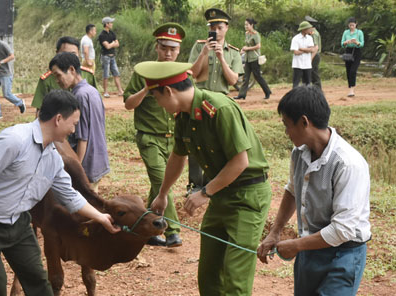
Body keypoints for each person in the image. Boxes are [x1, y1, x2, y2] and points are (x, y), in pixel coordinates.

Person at [0, 90, 120, 296]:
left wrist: (101, 218)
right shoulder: (14, 140)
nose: (74, 129)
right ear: (58, 119)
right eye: (74, 123)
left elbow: (69, 196)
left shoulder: (52, 157)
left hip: (18, 225)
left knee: (39, 284)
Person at [135, 61, 271, 295]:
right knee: (208, 276)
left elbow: (240, 162)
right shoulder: (184, 117)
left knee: (235, 279)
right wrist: (163, 194)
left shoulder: (219, 109)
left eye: (156, 98)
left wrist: (205, 192)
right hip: (221, 195)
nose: (158, 104)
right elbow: (177, 157)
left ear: (168, 91)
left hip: (247, 197)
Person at [257, 85, 371, 295]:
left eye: (287, 125)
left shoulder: (347, 163)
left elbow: (342, 230)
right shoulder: (299, 153)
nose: (286, 132)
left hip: (343, 254)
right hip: (309, 250)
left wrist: (297, 245)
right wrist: (275, 232)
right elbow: (292, 190)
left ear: (304, 122)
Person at [123, 23, 185, 248]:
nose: (168, 53)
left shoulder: (182, 73)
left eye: (173, 49)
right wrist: (147, 88)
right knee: (162, 182)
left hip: (174, 139)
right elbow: (129, 104)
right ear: (156, 48)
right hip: (149, 137)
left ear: (179, 50)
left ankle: (147, 228)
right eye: (164, 48)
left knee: (158, 185)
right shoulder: (143, 72)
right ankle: (172, 232)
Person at [187, 8, 244, 194]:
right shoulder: (199, 47)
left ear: (226, 28)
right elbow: (192, 74)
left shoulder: (233, 53)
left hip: (221, 103)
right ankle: (195, 184)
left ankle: (214, 184)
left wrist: (221, 57)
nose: (216, 31)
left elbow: (233, 81)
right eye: (212, 27)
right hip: (199, 100)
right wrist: (204, 53)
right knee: (196, 142)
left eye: (219, 27)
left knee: (220, 143)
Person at [50, 52, 109, 193]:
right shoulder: (92, 91)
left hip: (86, 165)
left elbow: (82, 138)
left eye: (58, 75)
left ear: (71, 70)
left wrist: (77, 171)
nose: (57, 81)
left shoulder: (79, 96)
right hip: (98, 160)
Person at [31, 36, 98, 115]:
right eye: (65, 54)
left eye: (73, 54)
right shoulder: (46, 80)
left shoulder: (88, 75)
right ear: (57, 54)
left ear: (78, 54)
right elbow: (40, 112)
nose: (69, 58)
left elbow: (96, 104)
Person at [0, 29, 26, 119]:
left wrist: (1, 62)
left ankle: (20, 103)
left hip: (6, 73)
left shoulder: (4, 45)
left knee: (7, 94)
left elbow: (12, 56)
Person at [236, 18, 272, 100]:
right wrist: (243, 50)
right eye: (245, 24)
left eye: (247, 25)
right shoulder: (247, 34)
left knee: (258, 76)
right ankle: (242, 94)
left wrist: (247, 49)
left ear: (251, 25)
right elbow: (247, 45)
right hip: (248, 58)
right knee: (246, 77)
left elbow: (258, 46)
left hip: (255, 59)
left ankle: (267, 92)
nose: (245, 26)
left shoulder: (256, 34)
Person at [98, 16, 124, 98]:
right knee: (106, 74)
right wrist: (113, 44)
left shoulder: (112, 33)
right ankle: (105, 92)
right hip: (105, 57)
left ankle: (120, 90)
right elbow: (107, 47)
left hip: (113, 56)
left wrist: (111, 44)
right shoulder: (102, 35)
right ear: (106, 24)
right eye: (110, 23)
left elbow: (118, 44)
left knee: (116, 73)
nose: (112, 24)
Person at [341, 17, 364, 97]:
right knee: (348, 71)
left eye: (353, 25)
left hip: (356, 52)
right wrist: (346, 42)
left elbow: (362, 44)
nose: (351, 27)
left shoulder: (359, 32)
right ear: (348, 25)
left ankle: (352, 89)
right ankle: (350, 88)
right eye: (350, 25)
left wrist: (356, 42)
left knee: (353, 71)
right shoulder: (346, 32)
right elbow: (342, 44)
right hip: (348, 51)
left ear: (356, 24)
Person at [290, 21, 316, 88]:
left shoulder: (310, 38)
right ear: (304, 29)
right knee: (296, 83)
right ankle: (295, 97)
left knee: (308, 83)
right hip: (297, 64)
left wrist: (301, 49)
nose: (310, 30)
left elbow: (312, 49)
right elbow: (295, 52)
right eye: (308, 28)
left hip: (307, 64)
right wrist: (307, 50)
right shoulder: (295, 39)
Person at [305, 16, 322, 89]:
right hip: (312, 54)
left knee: (313, 72)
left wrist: (311, 58)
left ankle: (318, 88)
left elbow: (315, 47)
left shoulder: (314, 33)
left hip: (314, 55)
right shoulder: (311, 33)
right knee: (311, 72)